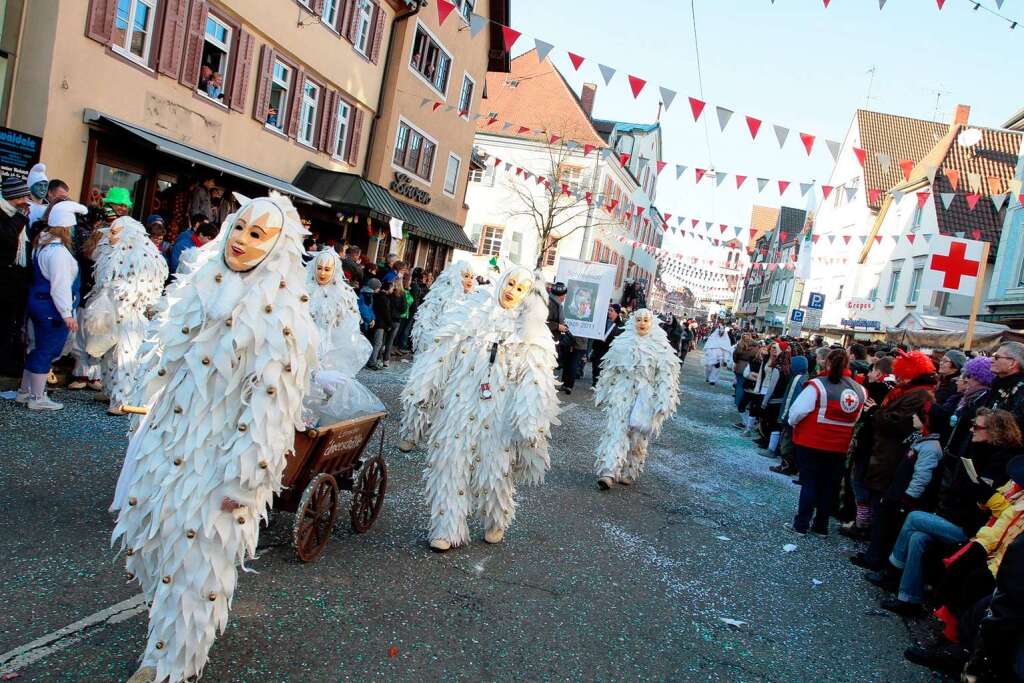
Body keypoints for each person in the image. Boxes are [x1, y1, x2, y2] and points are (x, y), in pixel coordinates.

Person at [112, 193, 317, 683]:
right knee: (151, 541)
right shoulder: (200, 284)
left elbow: (273, 406)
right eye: (240, 228)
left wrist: (246, 481)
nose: (244, 241)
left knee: (198, 555)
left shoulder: (282, 317)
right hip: (168, 440)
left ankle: (172, 665)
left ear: (278, 247)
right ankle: (166, 637)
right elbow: (166, 355)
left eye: (258, 234)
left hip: (220, 454)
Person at [401, 267, 558, 552]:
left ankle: (496, 518)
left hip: (499, 413)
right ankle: (446, 527)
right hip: (458, 405)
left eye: (520, 289)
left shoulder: (532, 333)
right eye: (510, 283)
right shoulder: (469, 313)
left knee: (495, 469)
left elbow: (536, 379)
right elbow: (439, 353)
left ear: (528, 295)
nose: (512, 291)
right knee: (449, 464)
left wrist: (530, 419)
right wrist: (423, 388)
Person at [879, 409, 1023, 617]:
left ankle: (891, 571)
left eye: (978, 427)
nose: (972, 430)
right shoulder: (978, 451)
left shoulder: (1005, 463)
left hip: (979, 530)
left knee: (914, 518)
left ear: (995, 431)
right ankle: (909, 599)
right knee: (918, 538)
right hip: (964, 518)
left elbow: (999, 506)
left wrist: (979, 491)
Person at [853, 351, 938, 570]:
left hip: (893, 456)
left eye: (902, 374)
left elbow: (897, 423)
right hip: (886, 454)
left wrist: (875, 412)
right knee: (878, 504)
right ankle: (873, 550)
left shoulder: (918, 395)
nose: (898, 378)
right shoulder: (908, 392)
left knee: (884, 508)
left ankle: (876, 556)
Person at [81, 217, 168, 415]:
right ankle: (110, 389)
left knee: (125, 355)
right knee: (107, 353)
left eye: (115, 232)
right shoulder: (111, 252)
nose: (109, 236)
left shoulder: (145, 257)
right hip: (110, 311)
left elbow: (148, 286)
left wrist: (120, 293)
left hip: (130, 314)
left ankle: (122, 399)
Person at [593, 309, 680, 489]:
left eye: (646, 320)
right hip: (622, 392)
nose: (642, 323)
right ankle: (609, 471)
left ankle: (629, 470)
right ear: (633, 322)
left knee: (638, 435)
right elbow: (610, 370)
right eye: (639, 320)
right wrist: (603, 389)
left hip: (645, 396)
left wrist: (665, 399)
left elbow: (667, 376)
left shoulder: (660, 346)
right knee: (616, 430)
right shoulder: (622, 343)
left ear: (652, 323)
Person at [786, 348, 867, 536]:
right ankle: (821, 526)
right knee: (828, 486)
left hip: (811, 442)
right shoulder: (859, 390)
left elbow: (797, 412)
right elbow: (856, 418)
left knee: (809, 483)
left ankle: (801, 525)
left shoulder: (817, 385)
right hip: (839, 446)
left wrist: (793, 424)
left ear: (827, 362)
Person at [399, 262, 478, 452]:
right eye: (464, 276)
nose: (468, 280)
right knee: (421, 394)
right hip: (434, 356)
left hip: (460, 360)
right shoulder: (439, 296)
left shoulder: (476, 302)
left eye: (471, 277)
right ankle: (411, 434)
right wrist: (429, 345)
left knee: (451, 400)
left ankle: (440, 441)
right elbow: (423, 323)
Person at [16, 202, 87, 410]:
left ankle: (25, 391)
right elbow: (60, 286)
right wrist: (67, 313)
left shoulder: (42, 245)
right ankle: (37, 397)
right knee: (47, 350)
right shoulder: (59, 253)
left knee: (37, 349)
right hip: (51, 308)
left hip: (38, 303)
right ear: (66, 228)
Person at [0, 176, 32, 377]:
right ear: (14, 197)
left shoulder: (18, 214)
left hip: (13, 278)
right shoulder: (9, 215)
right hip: (2, 276)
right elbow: (5, 239)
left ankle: (5, 361)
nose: (27, 200)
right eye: (23, 196)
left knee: (8, 324)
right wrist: (20, 218)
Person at [985, 342, 1024, 431]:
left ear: (1012, 363)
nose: (991, 360)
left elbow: (1012, 429)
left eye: (997, 357)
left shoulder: (1020, 391)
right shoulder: (997, 384)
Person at [590, 304, 624, 389]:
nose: (609, 312)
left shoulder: (620, 325)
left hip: (609, 349)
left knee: (605, 367)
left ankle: (601, 384)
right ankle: (595, 383)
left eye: (611, 310)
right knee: (596, 365)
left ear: (617, 313)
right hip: (599, 347)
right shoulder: (603, 321)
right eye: (609, 310)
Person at [368, 279, 392, 369]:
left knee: (375, 342)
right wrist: (389, 323)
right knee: (378, 343)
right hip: (380, 324)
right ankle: (372, 362)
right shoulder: (383, 298)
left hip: (375, 322)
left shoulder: (376, 296)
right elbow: (385, 312)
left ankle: (372, 360)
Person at [732, 333, 758, 409]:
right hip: (750, 367)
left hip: (739, 366)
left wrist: (737, 362)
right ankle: (744, 403)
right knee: (746, 386)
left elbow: (735, 356)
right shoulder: (756, 346)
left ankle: (737, 402)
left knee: (739, 385)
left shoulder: (739, 345)